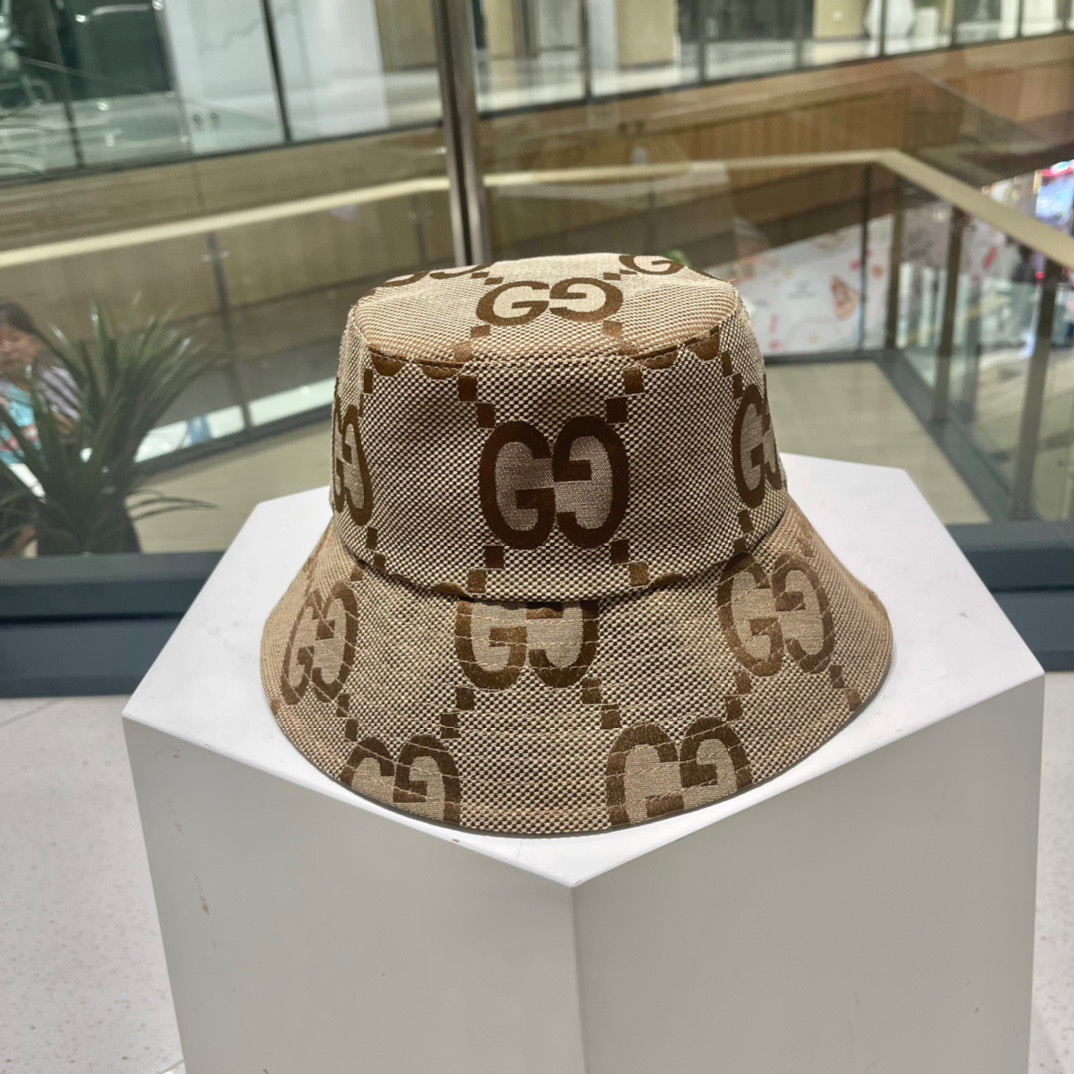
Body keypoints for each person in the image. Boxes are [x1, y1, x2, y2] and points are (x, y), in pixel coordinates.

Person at [0, 301, 78, 554]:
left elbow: (78, 430)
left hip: (60, 481)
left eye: (15, 339)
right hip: (13, 486)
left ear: (36, 342)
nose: (7, 349)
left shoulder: (57, 381)